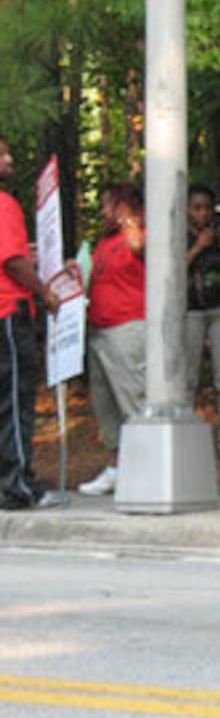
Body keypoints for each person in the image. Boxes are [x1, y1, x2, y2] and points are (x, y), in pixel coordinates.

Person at [0, 138, 63, 510]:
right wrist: (44, 291)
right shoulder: (5, 204)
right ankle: (17, 484)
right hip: (8, 311)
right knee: (15, 399)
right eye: (2, 154)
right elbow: (11, 262)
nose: (10, 159)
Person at [78, 182, 146, 496]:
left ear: (122, 207)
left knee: (132, 400)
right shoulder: (103, 242)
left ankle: (144, 469)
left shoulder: (139, 234)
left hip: (128, 327)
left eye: (107, 205)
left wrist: (128, 219)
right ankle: (116, 467)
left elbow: (137, 247)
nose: (102, 212)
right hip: (100, 328)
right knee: (106, 403)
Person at [184, 184, 220, 467]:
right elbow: (170, 269)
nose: (202, 213)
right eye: (196, 208)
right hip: (190, 310)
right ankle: (184, 432)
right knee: (188, 376)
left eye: (206, 208)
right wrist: (198, 247)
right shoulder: (178, 236)